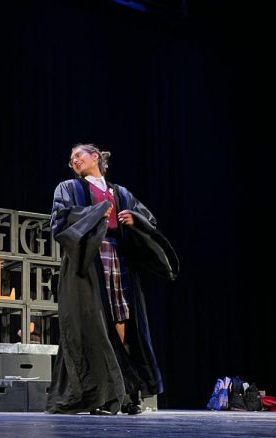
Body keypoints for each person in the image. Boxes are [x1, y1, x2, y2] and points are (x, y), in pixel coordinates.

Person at [46, 143, 179, 415]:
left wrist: (134, 219)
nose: (74, 161)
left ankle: (128, 393)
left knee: (122, 320)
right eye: (71, 159)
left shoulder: (119, 193)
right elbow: (59, 222)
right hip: (88, 261)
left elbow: (148, 220)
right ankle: (105, 394)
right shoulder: (69, 189)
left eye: (78, 155)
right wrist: (94, 214)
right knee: (96, 323)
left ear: (95, 157)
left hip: (118, 257)